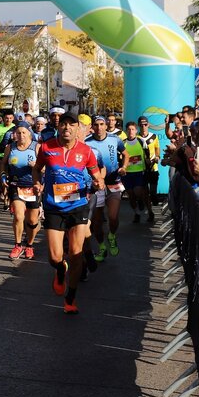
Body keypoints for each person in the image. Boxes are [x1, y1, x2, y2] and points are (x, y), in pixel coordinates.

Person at [33, 114, 104, 314]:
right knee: (55, 257)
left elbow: (96, 175)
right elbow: (37, 169)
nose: (67, 127)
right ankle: (59, 269)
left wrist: (99, 183)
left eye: (71, 124)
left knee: (76, 253)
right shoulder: (47, 147)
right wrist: (37, 182)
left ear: (77, 129)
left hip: (78, 205)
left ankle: (70, 298)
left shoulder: (86, 151)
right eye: (63, 123)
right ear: (59, 127)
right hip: (54, 207)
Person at [86, 116, 126, 262]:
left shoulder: (115, 139)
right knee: (96, 222)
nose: (99, 127)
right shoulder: (87, 142)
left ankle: (112, 235)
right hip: (96, 185)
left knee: (113, 217)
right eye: (96, 125)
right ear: (92, 126)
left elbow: (125, 154)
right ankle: (102, 246)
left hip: (114, 181)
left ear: (105, 125)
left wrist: (124, 167)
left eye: (102, 124)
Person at [2, 122, 40, 260]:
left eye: (24, 132)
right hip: (16, 185)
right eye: (18, 133)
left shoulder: (36, 147)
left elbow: (46, 168)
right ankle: (17, 245)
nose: (21, 135)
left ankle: (29, 245)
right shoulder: (10, 147)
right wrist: (3, 175)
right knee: (18, 216)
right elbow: (3, 164)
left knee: (32, 220)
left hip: (33, 187)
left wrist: (37, 167)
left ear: (29, 133)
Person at [122, 121, 155, 223]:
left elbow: (147, 154)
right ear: (126, 131)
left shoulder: (141, 141)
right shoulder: (123, 143)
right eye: (129, 129)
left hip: (140, 172)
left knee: (140, 192)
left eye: (133, 129)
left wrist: (149, 164)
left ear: (136, 131)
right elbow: (120, 156)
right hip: (127, 173)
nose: (131, 131)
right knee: (131, 195)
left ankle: (150, 212)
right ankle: (137, 213)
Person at [137, 116, 161, 202]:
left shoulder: (154, 136)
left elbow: (157, 149)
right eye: (141, 125)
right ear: (138, 125)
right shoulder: (136, 138)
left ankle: (153, 206)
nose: (143, 127)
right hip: (141, 168)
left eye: (145, 124)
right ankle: (147, 209)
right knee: (144, 191)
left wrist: (157, 157)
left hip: (153, 167)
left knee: (153, 192)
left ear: (148, 125)